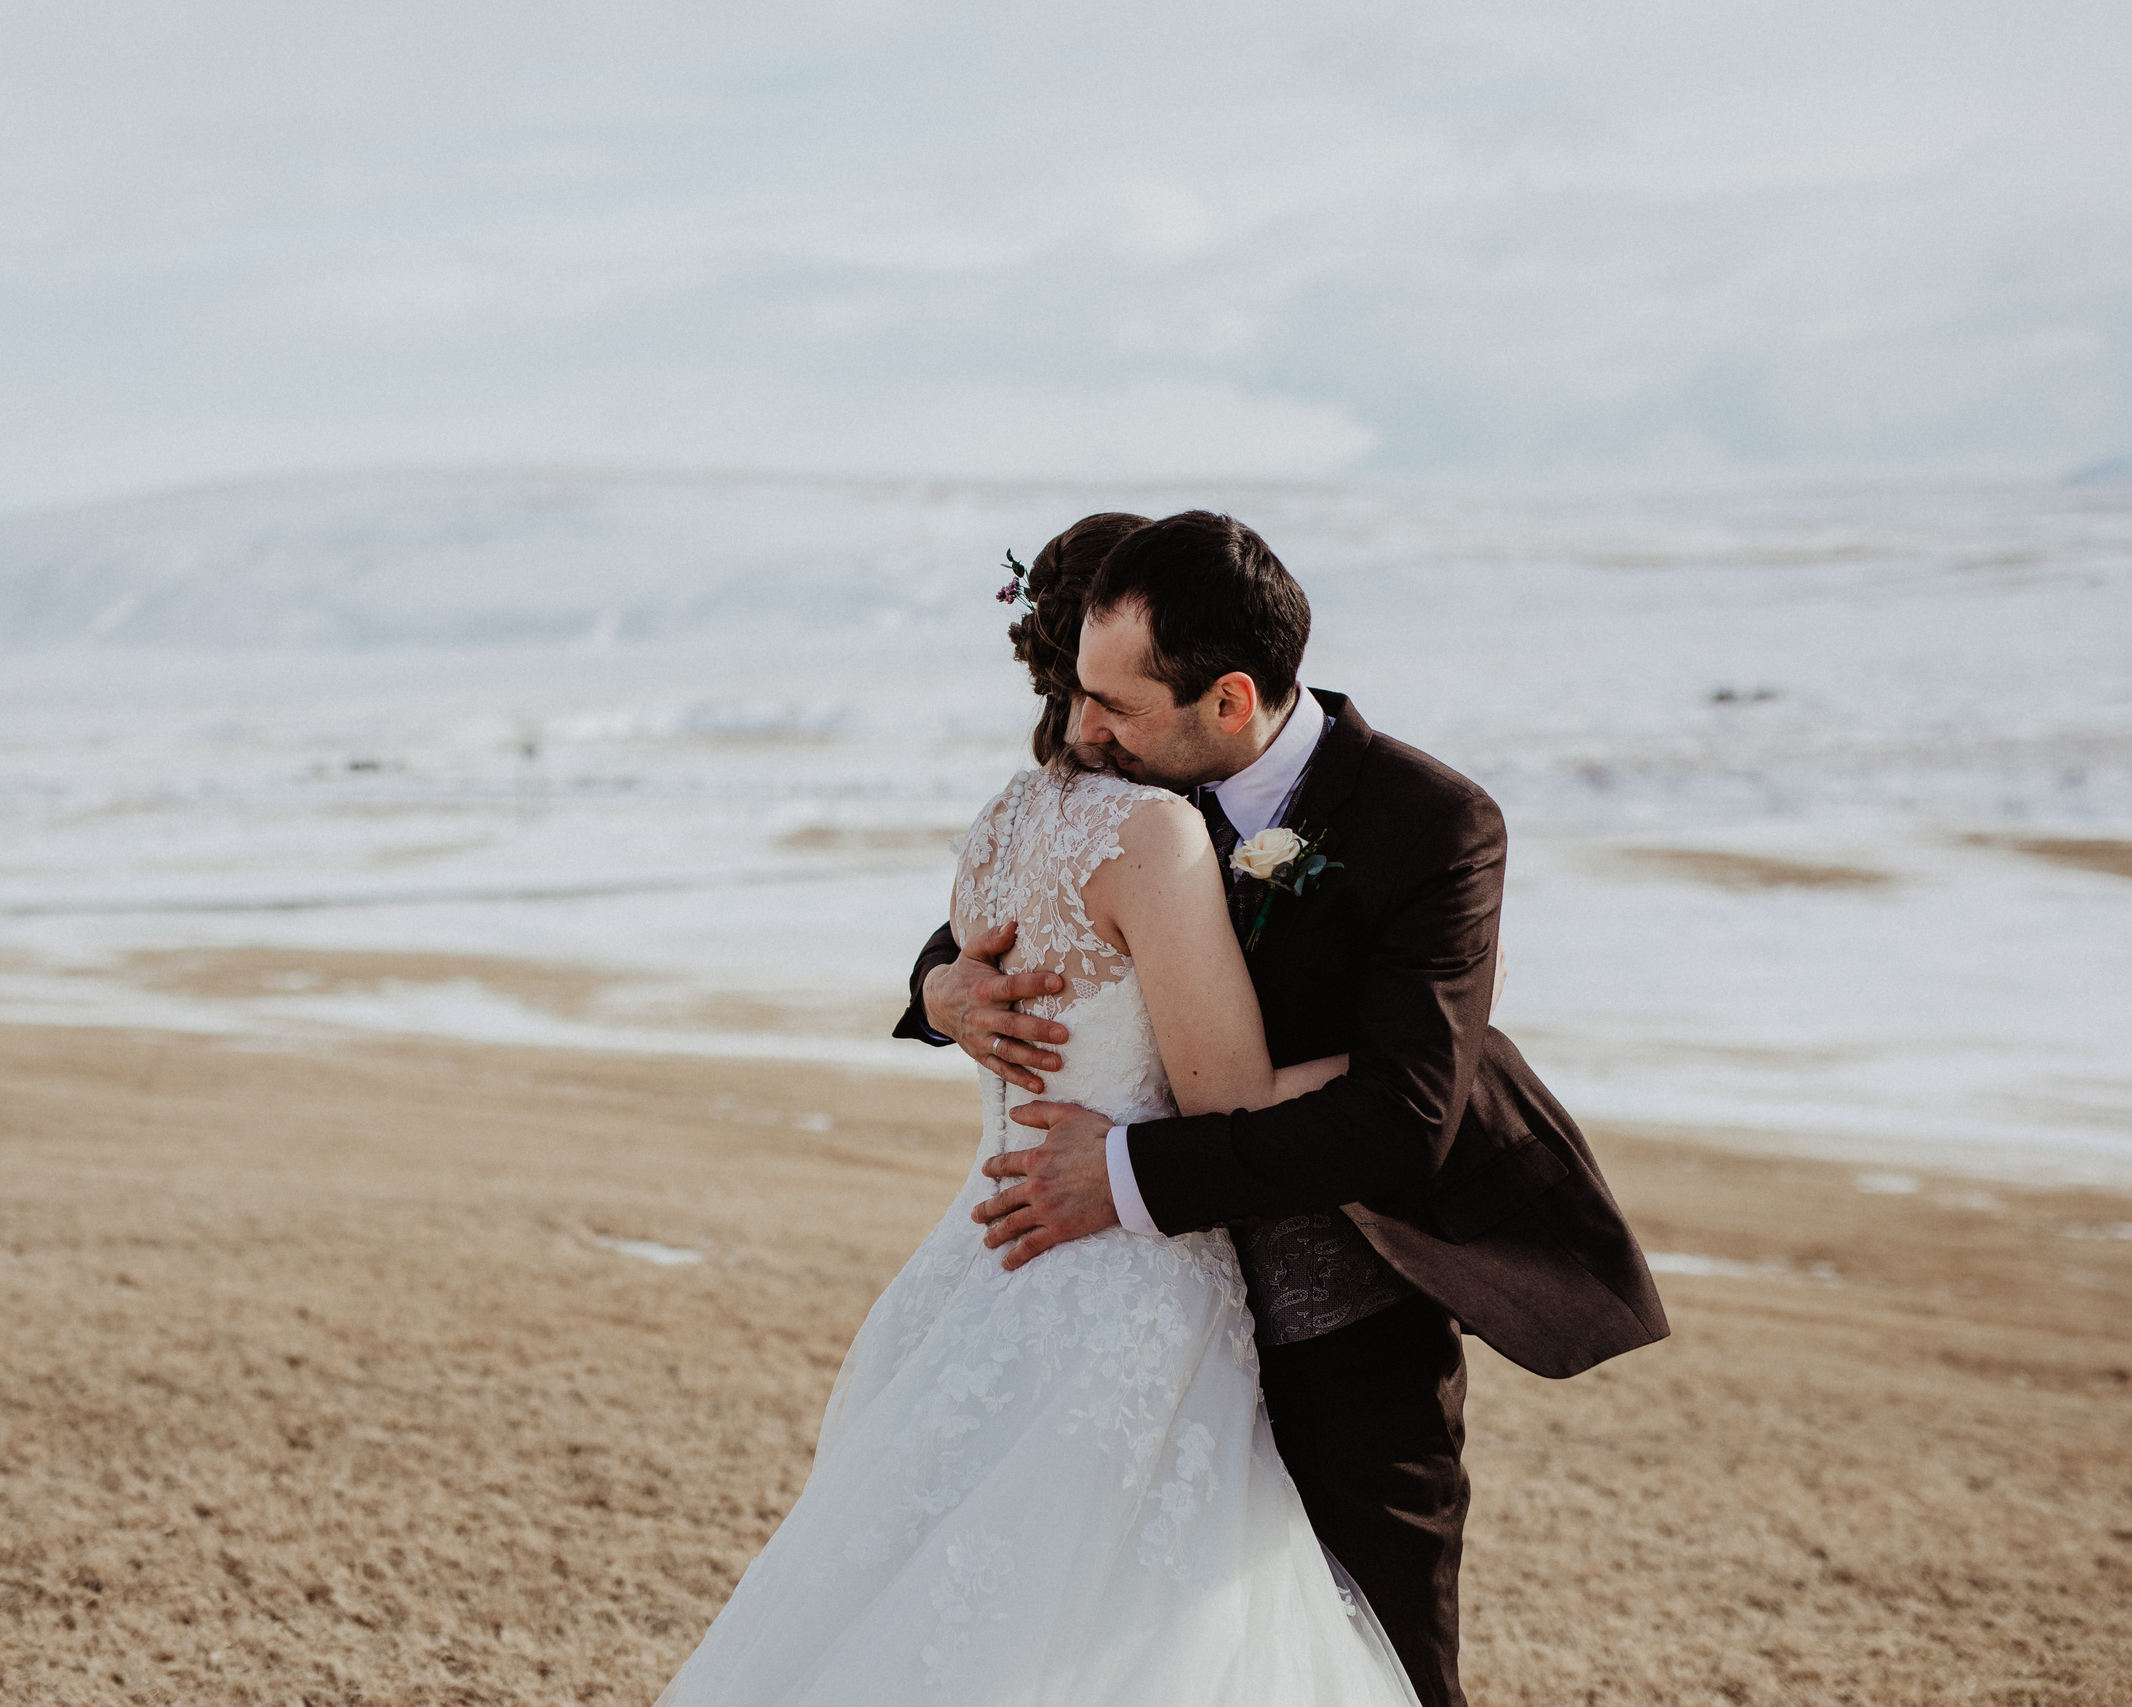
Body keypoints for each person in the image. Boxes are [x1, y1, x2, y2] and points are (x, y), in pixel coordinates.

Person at [903, 511, 1670, 1707]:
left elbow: (1400, 1116)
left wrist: (1122, 1176)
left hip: (1343, 1313)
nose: (1082, 729)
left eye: (1112, 704)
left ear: (1228, 700)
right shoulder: (1128, 784)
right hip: (1137, 1327)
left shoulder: (1430, 822)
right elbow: (1020, 917)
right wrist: (941, 989)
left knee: (1380, 1667)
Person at [655, 513, 1422, 1706]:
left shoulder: (1000, 822)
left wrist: (944, 986)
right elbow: (1224, 1098)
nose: (1099, 714)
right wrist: (1388, 1070)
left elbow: (1005, 954)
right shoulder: (1154, 830)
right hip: (1123, 1286)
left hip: (988, 1266)